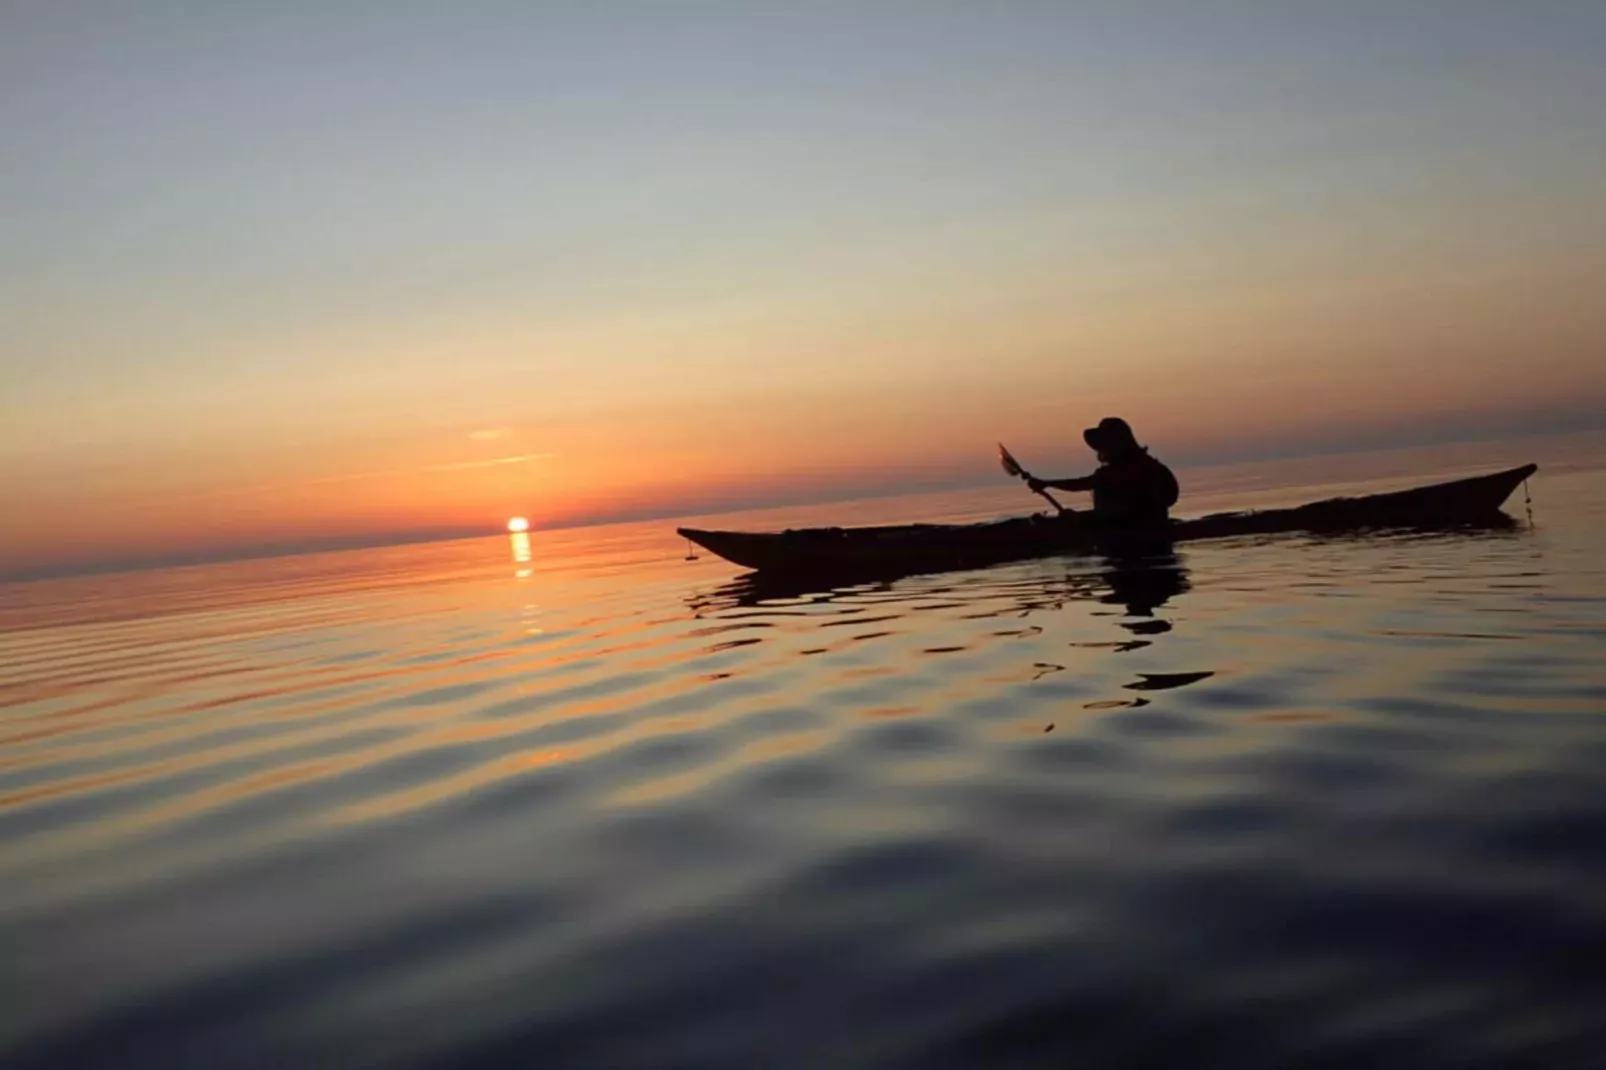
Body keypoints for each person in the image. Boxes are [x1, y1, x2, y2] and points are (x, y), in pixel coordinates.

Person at [1027, 417, 1179, 525]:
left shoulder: (1120, 472)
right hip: (1146, 527)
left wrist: (1080, 519)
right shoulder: (1152, 465)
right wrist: (1046, 483)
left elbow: (1084, 484)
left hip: (1129, 534)